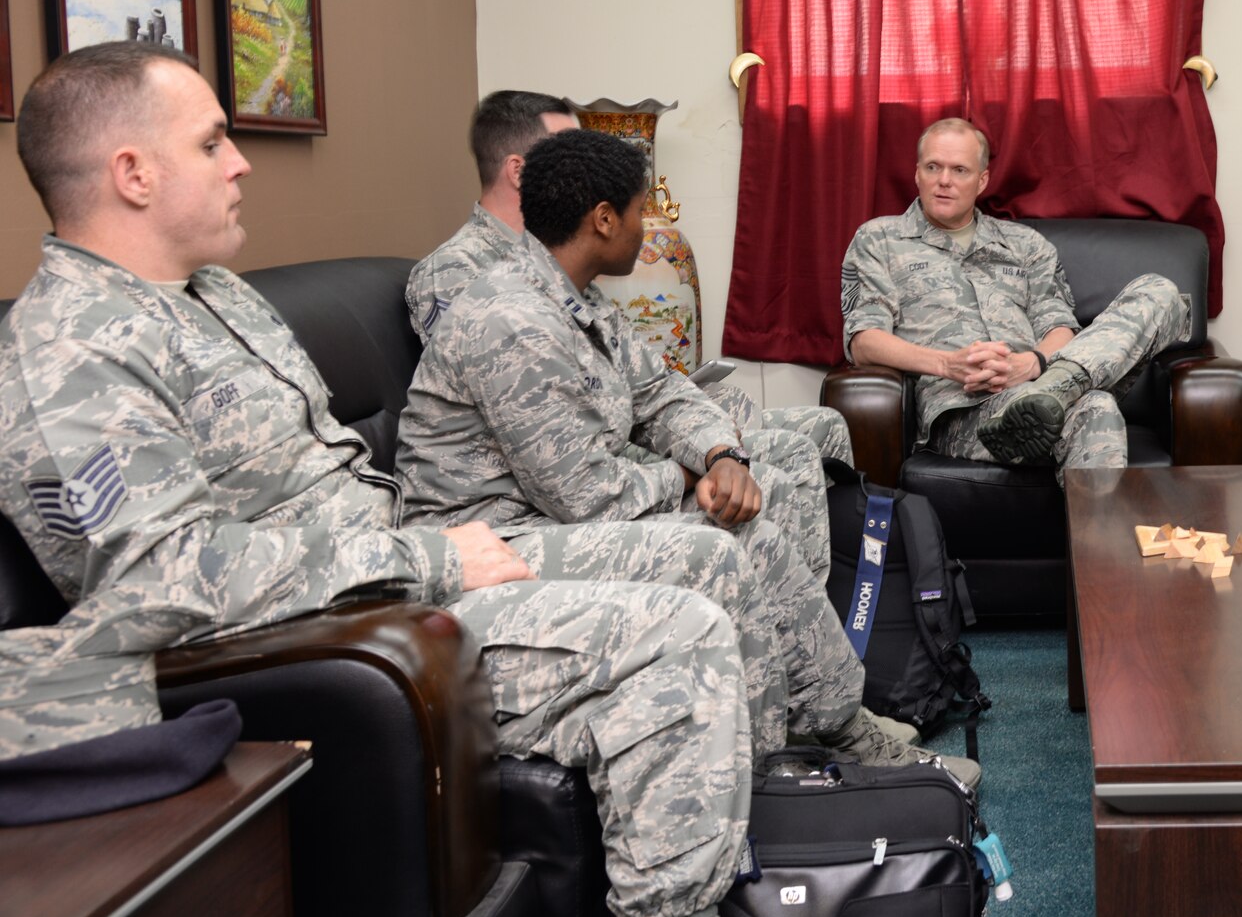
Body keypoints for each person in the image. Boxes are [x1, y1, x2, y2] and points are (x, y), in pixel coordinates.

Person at [0, 44, 743, 917]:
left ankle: (735, 859)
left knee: (704, 555)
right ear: (133, 173)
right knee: (679, 632)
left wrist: (428, 550)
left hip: (392, 564)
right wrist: (431, 558)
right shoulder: (70, 353)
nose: (238, 162)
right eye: (211, 143)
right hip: (316, 638)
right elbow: (161, 579)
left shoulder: (213, 293)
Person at [394, 129, 974, 788]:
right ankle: (801, 753)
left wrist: (723, 452)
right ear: (603, 220)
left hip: (555, 512)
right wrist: (688, 474)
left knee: (755, 495)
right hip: (495, 542)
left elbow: (662, 388)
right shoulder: (511, 320)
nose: (647, 225)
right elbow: (586, 495)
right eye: (640, 210)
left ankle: (821, 721)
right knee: (733, 542)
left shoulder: (573, 297)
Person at [408, 90, 853, 470]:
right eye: (565, 149)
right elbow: (528, 418)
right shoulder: (453, 272)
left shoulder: (560, 263)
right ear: (521, 170)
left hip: (619, 423)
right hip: (564, 461)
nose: (581, 161)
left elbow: (628, 372)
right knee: (779, 459)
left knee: (800, 424)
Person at [842, 118, 1191, 479]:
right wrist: (948, 365)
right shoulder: (879, 239)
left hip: (1039, 380)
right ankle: (1054, 404)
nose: (944, 180)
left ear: (982, 180)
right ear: (917, 174)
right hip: (966, 409)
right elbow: (864, 341)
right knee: (1097, 405)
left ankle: (1056, 389)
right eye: (933, 167)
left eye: (959, 170)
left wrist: (1033, 365)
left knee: (1160, 291)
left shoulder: (1025, 245)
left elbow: (1060, 327)